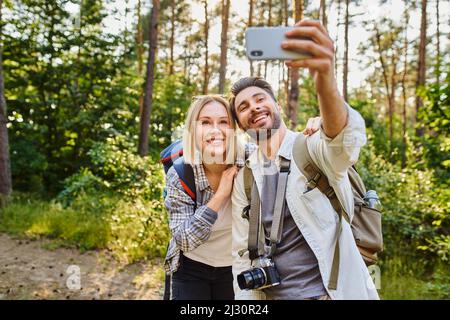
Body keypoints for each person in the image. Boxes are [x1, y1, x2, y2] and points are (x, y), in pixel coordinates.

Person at [229, 19, 380, 300]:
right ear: (240, 124)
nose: (255, 107)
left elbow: (342, 140)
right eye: (243, 107)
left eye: (260, 99)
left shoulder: (309, 148)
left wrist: (324, 77)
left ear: (277, 104)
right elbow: (241, 254)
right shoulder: (246, 179)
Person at [163, 95, 241, 300]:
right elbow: (184, 240)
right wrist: (221, 196)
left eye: (223, 122)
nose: (215, 130)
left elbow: (287, 152)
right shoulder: (180, 172)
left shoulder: (249, 162)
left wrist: (316, 130)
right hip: (190, 267)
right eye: (205, 122)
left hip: (235, 267)